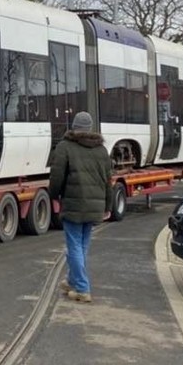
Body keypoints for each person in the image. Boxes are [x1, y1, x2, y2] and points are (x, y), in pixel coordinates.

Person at [48, 111, 113, 304]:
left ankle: (83, 288)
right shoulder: (101, 150)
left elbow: (56, 176)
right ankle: (72, 281)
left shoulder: (65, 147)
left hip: (74, 204)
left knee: (74, 245)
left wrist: (53, 195)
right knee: (82, 245)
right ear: (90, 128)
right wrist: (108, 205)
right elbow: (108, 180)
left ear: (74, 126)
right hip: (95, 205)